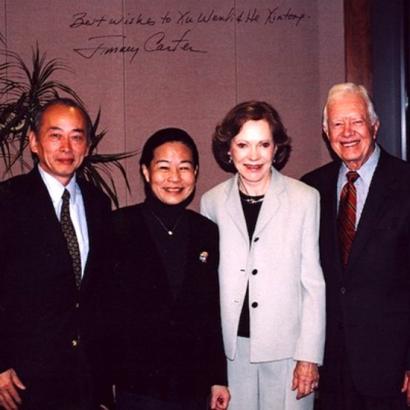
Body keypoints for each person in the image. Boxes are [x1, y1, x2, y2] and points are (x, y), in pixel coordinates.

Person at [200, 101, 326, 410]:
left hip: (288, 351)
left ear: (276, 148)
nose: (253, 156)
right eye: (243, 144)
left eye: (263, 144)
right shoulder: (211, 202)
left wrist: (308, 356)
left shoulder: (304, 198)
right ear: (228, 149)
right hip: (232, 352)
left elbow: (313, 283)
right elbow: (206, 289)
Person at [302, 82, 410, 410]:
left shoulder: (405, 183)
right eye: (337, 124)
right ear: (325, 132)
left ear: (375, 126)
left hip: (390, 367)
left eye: (357, 121)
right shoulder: (310, 189)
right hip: (331, 367)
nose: (347, 132)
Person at [0, 98, 112, 410]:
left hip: (85, 380)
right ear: (34, 142)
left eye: (76, 137)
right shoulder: (7, 201)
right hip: (22, 381)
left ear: (87, 147)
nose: (66, 147)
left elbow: (97, 296)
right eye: (55, 135)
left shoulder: (98, 204)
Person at [109, 128, 230, 410]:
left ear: (196, 173)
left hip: (193, 387)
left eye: (184, 168)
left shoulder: (206, 232)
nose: (174, 178)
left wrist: (217, 379)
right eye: (163, 167)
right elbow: (102, 311)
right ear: (146, 172)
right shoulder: (118, 227)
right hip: (137, 386)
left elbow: (212, 312)